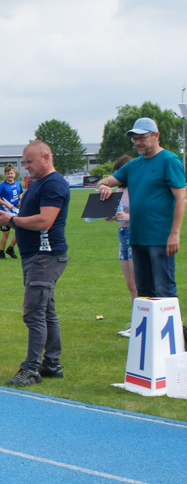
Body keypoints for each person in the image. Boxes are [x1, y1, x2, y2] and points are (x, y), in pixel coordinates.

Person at [0, 141, 70, 386]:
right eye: (24, 162)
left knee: (34, 313)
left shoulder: (53, 183)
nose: (25, 167)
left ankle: (31, 369)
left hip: (44, 256)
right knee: (46, 312)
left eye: (29, 162)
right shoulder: (39, 184)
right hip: (37, 255)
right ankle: (51, 365)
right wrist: (9, 220)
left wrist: (12, 218)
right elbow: (27, 217)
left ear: (46, 157)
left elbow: (45, 220)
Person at [97, 118, 187, 299]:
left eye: (142, 137)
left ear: (156, 136)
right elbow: (106, 180)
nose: (138, 142)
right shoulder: (133, 165)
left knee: (164, 290)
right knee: (144, 291)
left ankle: (174, 328)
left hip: (160, 238)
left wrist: (174, 234)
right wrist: (103, 186)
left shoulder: (169, 161)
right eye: (134, 139)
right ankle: (148, 328)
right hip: (137, 238)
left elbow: (181, 198)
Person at [106, 154, 138, 338]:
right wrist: (110, 216)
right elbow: (113, 212)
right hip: (122, 233)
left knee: (138, 282)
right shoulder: (119, 191)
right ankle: (135, 322)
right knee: (130, 284)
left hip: (135, 233)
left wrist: (129, 217)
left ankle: (141, 323)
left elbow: (149, 213)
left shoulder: (138, 190)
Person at [0, 164, 23, 259]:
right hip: (4, 212)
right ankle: (1, 253)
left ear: (15, 174)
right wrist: (6, 204)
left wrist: (20, 201)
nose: (10, 175)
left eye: (11, 173)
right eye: (8, 173)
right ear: (5, 174)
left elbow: (20, 194)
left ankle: (10, 248)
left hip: (16, 211)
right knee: (6, 233)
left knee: (20, 230)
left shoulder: (17, 183)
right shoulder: (2, 186)